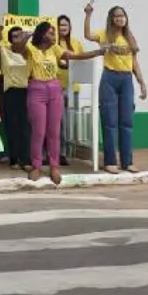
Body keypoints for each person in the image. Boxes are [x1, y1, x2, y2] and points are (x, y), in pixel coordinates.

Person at [22, 21, 104, 184]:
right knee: (39, 131)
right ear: (42, 33)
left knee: (54, 131)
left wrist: (98, 52)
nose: (54, 36)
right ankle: (36, 166)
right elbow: (18, 47)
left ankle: (54, 166)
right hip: (36, 89)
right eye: (51, 33)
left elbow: (74, 56)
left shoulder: (55, 49)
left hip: (54, 89)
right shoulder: (31, 49)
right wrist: (28, 36)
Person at [85, 4, 147, 174]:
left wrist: (141, 82)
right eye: (117, 16)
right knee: (109, 122)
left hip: (126, 79)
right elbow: (88, 35)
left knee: (126, 122)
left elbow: (134, 62)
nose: (120, 18)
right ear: (111, 19)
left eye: (123, 15)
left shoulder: (129, 38)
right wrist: (88, 15)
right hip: (109, 78)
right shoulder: (104, 34)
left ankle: (127, 162)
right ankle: (110, 161)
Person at [0, 25, 32, 171]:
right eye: (15, 37)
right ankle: (14, 159)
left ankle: (26, 159)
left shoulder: (28, 50)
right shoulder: (3, 50)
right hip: (10, 92)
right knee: (11, 127)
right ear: (10, 40)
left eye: (21, 35)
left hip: (27, 91)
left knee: (25, 127)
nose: (19, 38)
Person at [55, 14, 82, 166]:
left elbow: (81, 59)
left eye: (65, 25)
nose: (63, 28)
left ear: (70, 27)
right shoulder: (54, 45)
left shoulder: (76, 43)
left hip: (74, 88)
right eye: (60, 26)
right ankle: (61, 153)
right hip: (58, 88)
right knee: (60, 123)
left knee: (71, 123)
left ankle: (69, 152)